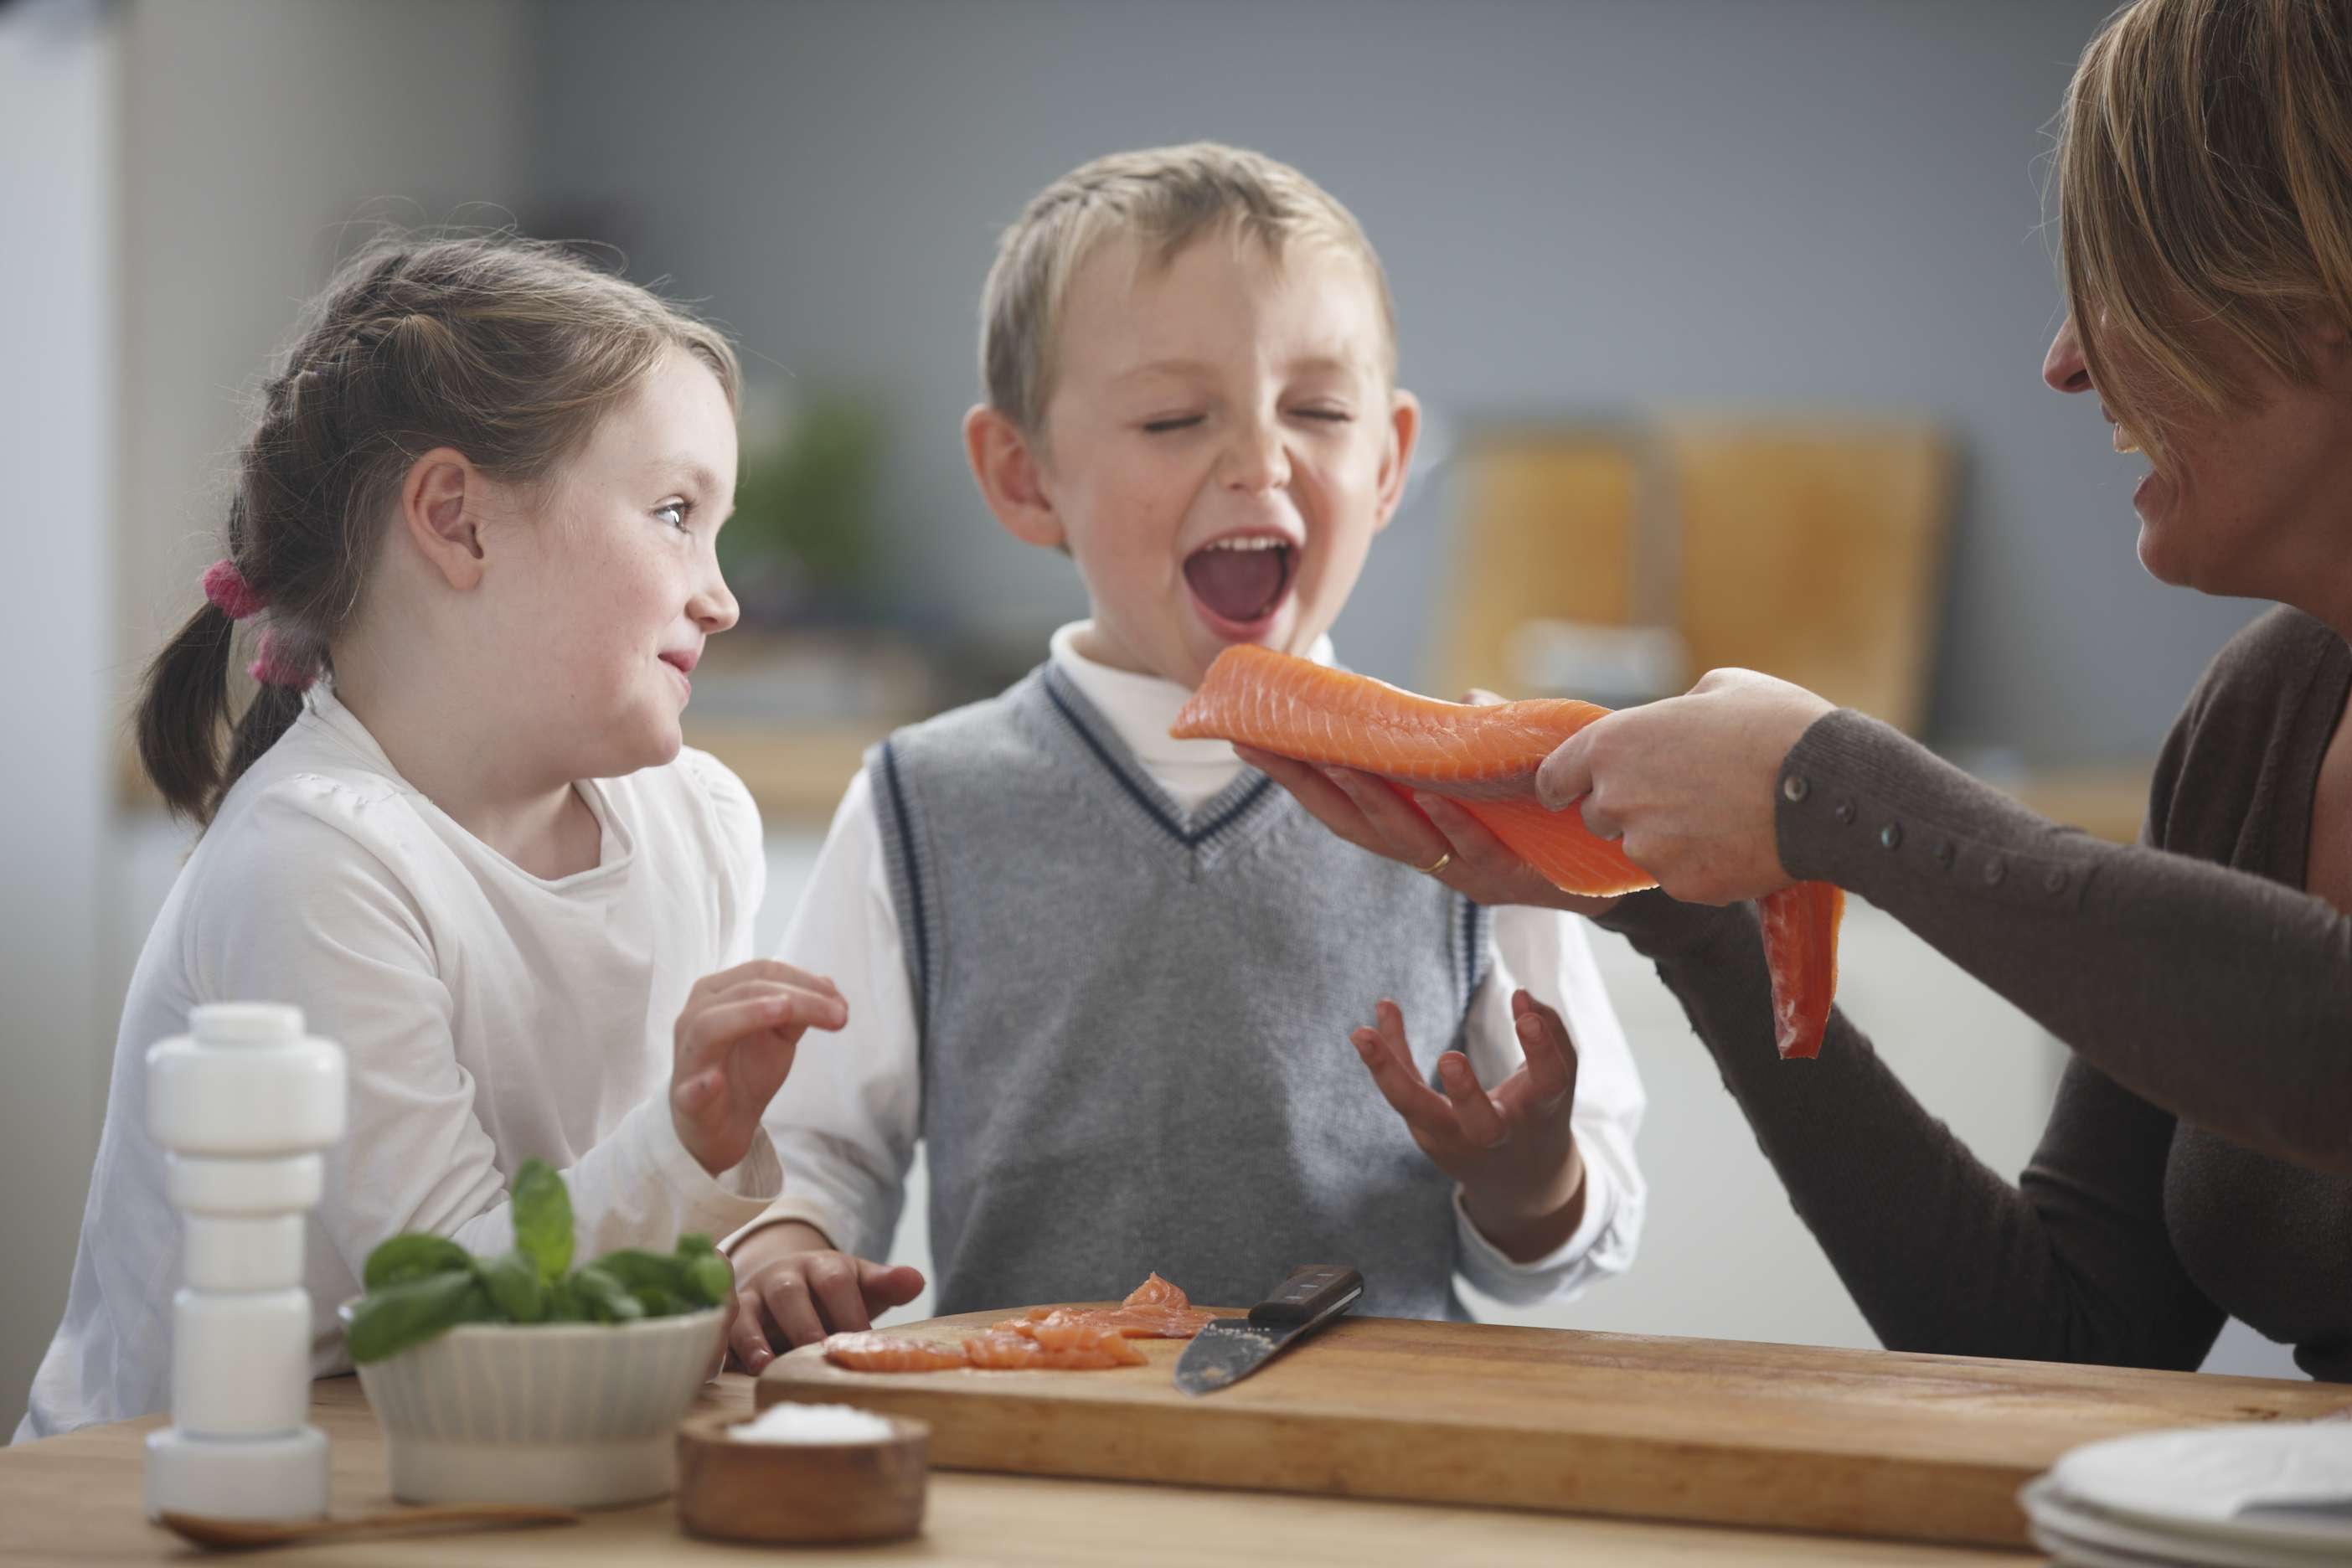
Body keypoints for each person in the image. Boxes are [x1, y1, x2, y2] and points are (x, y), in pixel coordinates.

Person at [1251, 0, 2352, 1380]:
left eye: (2126, 282)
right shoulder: (2264, 723)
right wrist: (1679, 900)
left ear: (2314, 295)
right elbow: (2060, 1336)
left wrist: (1830, 789)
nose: (2067, 359)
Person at [717, 145, 1648, 1365]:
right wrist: (789, 1246)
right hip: (1030, 1472)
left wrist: (1532, 1182)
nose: (1261, 460)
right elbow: (821, 1145)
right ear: (1023, 475)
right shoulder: (917, 802)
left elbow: (1576, 1229)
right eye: (1172, 417)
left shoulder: (1467, 806)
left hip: (1383, 1484)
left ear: (1387, 461)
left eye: (1317, 410)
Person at [18, 235, 846, 1438]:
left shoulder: (700, 825)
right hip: (200, 1499)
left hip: (499, 1465)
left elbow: (620, 1257)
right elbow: (454, 1312)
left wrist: (760, 1248)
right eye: (675, 513)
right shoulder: (316, 861)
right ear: (457, 521)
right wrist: (686, 1142)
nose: (720, 596)